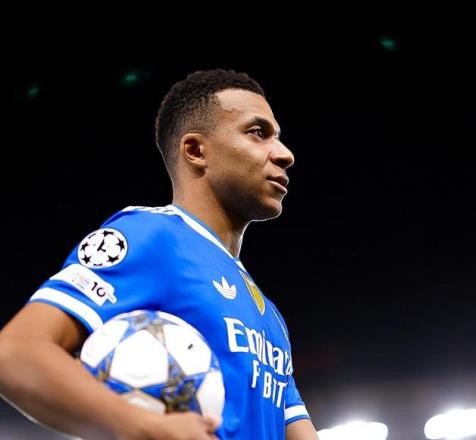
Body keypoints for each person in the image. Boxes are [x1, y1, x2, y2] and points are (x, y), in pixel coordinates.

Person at [0, 69, 318, 440]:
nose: (285, 154)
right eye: (258, 132)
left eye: (277, 137)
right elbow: (15, 353)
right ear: (196, 151)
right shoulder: (153, 235)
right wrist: (144, 425)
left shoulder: (270, 317)